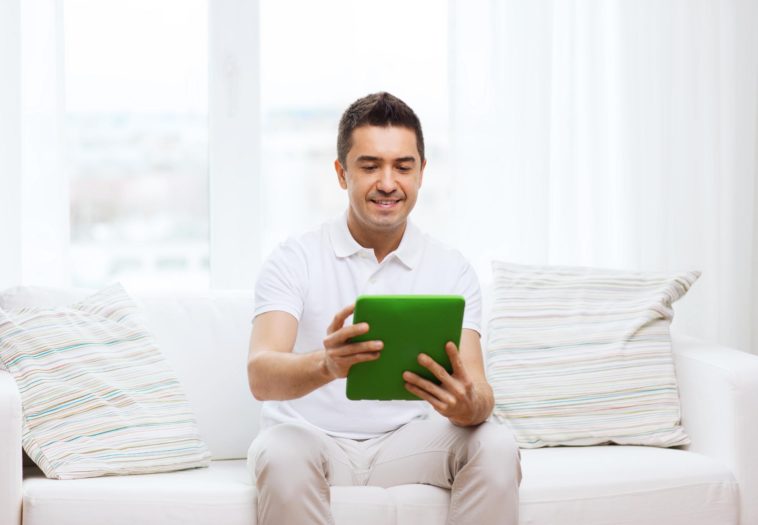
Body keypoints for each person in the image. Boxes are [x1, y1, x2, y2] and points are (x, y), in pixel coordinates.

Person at [246, 92, 521, 524]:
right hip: (309, 440)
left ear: (422, 173)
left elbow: (480, 393)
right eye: (370, 166)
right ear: (342, 173)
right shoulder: (294, 258)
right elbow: (261, 375)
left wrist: (467, 405)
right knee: (279, 453)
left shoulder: (451, 268)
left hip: (408, 443)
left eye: (403, 167)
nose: (388, 182)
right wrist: (327, 365)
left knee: (497, 443)